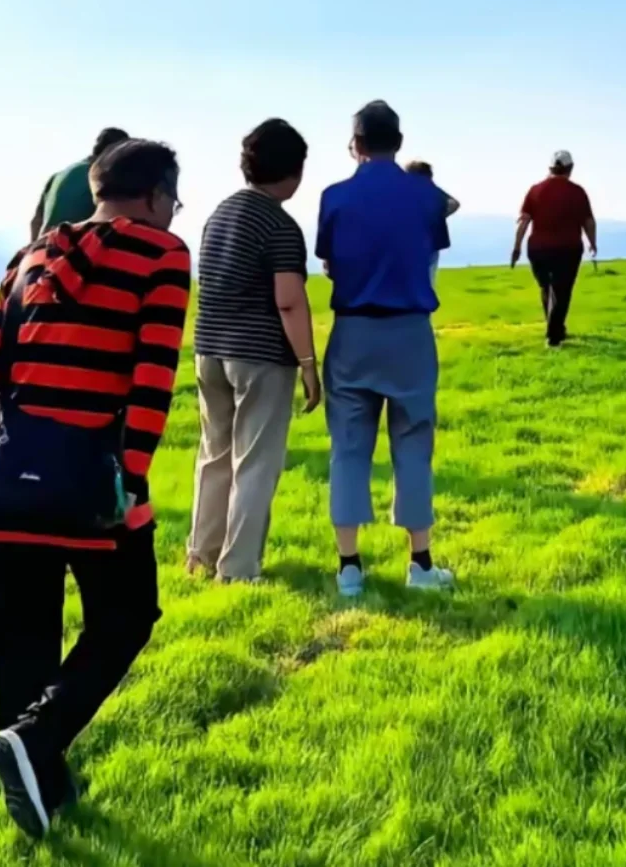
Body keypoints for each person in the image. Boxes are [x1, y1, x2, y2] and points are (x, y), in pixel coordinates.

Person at [0, 140, 190, 839]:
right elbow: (150, 374)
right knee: (127, 615)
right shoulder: (163, 254)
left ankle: (43, 794)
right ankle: (38, 742)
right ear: (155, 195)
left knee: (23, 643)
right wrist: (131, 472)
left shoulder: (28, 256)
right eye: (174, 201)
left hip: (6, 486)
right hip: (91, 480)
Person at [316, 101, 453, 598]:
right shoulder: (425, 195)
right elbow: (430, 248)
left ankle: (349, 568)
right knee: (414, 445)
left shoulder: (335, 197)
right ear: (399, 141)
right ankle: (420, 565)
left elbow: (330, 260)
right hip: (410, 331)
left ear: (355, 144)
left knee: (349, 447)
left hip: (353, 330)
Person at [188, 119, 320, 583]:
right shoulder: (281, 226)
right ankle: (239, 567)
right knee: (256, 463)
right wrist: (308, 363)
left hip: (209, 349)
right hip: (260, 356)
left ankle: (200, 554)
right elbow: (288, 299)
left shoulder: (219, 214)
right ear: (293, 172)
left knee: (214, 455)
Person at [511, 151, 596, 347]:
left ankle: (556, 328)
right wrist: (592, 243)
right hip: (568, 249)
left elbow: (523, 222)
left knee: (547, 288)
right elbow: (588, 221)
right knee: (562, 291)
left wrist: (516, 247)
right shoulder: (577, 192)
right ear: (570, 169)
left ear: (550, 168)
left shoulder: (535, 190)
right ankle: (554, 336)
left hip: (538, 249)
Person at [29, 128, 130, 240]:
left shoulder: (58, 176)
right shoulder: (103, 177)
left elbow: (36, 222)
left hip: (43, 247)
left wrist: (35, 250)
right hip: (74, 248)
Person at [405, 160, 460, 282]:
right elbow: (454, 203)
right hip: (433, 242)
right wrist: (440, 215)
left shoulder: (405, 190)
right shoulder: (433, 191)